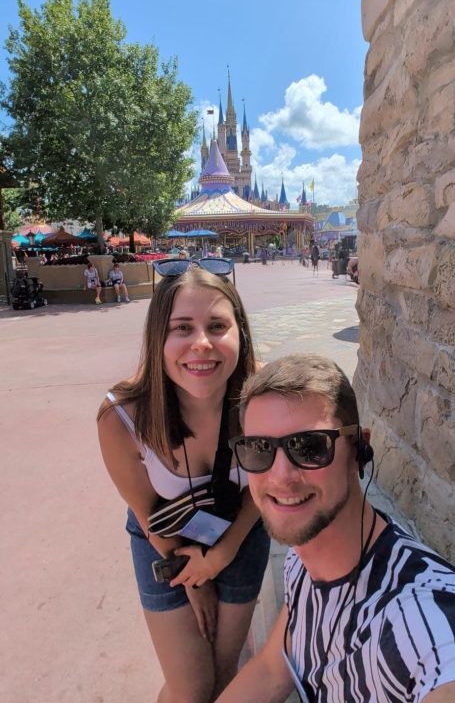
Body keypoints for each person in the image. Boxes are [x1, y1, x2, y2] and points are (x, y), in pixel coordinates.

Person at [218, 354, 455, 703]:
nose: (281, 476)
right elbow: (271, 670)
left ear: (359, 451)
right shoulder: (301, 562)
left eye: (309, 446)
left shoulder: (418, 619)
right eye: (259, 448)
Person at [97, 260, 270, 703]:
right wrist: (193, 578)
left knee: (222, 675)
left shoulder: (265, 395)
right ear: (159, 337)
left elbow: (265, 487)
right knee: (190, 687)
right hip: (162, 537)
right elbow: (146, 510)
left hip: (240, 529)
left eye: (217, 326)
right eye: (182, 328)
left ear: (240, 332)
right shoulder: (121, 416)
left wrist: (220, 556)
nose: (202, 344)